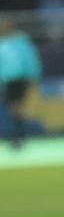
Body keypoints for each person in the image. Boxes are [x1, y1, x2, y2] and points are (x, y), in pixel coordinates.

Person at [0, 17, 42, 149]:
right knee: (13, 108)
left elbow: (30, 58)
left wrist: (33, 75)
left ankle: (19, 136)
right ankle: (19, 135)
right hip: (6, 79)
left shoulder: (20, 40)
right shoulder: (2, 42)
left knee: (17, 106)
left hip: (19, 78)